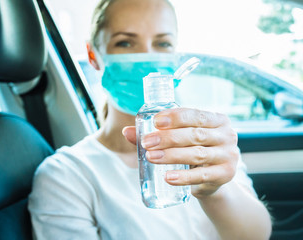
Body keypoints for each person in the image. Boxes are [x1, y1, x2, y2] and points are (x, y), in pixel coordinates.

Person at [28, 0, 272, 239]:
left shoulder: (204, 146)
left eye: (162, 43)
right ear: (93, 54)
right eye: (125, 42)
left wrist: (214, 191)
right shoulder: (66, 175)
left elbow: (255, 235)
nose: (146, 56)